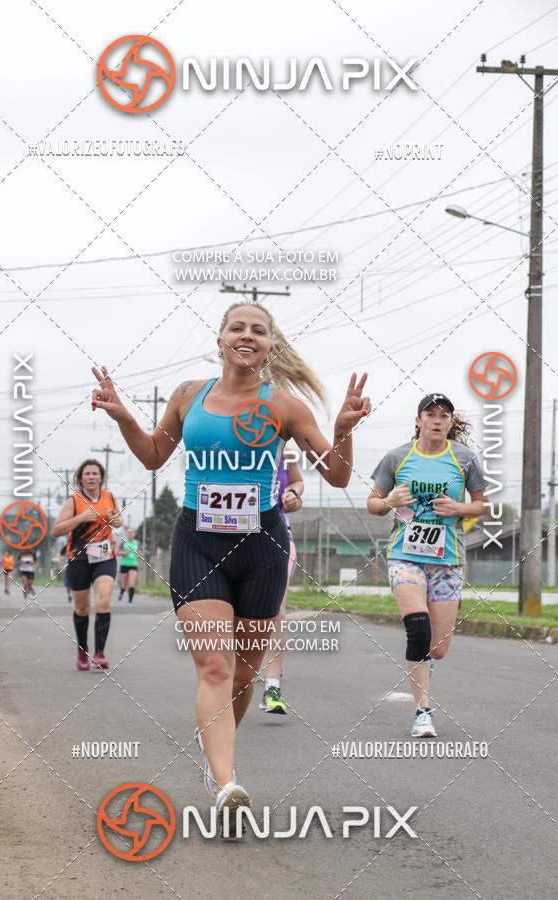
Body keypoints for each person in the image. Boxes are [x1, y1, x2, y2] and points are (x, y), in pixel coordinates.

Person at [91, 300, 370, 834]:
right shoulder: (188, 396)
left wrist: (343, 427)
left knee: (243, 674)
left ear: (271, 345)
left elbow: (335, 475)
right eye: (237, 327)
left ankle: (216, 752)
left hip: (263, 546)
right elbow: (153, 456)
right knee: (216, 669)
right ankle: (225, 784)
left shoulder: (285, 407)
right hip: (197, 541)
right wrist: (124, 414)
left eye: (259, 331)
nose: (248, 336)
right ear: (220, 339)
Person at [367, 393, 488, 739]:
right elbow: (373, 504)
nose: (437, 420)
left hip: (447, 560)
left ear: (450, 423)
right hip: (405, 555)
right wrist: (390, 501)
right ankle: (423, 710)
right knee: (417, 630)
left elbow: (482, 506)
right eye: (430, 414)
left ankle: (424, 662)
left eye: (444, 415)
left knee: (438, 648)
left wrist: (457, 508)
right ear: (418, 420)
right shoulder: (397, 457)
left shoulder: (464, 459)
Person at [52, 459, 123, 670]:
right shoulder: (74, 501)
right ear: (81, 478)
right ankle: (82, 650)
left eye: (95, 473)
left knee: (103, 603)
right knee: (82, 607)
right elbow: (57, 530)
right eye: (87, 474)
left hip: (104, 557)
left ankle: (99, 653)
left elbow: (117, 517)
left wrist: (118, 521)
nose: (91, 477)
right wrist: (80, 518)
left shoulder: (109, 497)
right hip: (79, 559)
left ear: (101, 477)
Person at [259, 448, 303, 715]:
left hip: (277, 537)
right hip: (233, 538)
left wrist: (294, 495)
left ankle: (272, 687)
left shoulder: (285, 452)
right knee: (238, 617)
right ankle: (246, 664)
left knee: (277, 612)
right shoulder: (227, 445)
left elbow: (297, 482)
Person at [117, 527, 139, 604]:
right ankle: (121, 592)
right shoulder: (123, 542)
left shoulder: (137, 543)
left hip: (133, 564)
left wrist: (140, 554)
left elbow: (140, 552)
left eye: (131, 532)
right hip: (124, 564)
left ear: (134, 534)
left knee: (132, 583)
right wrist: (123, 553)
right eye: (129, 533)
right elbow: (117, 552)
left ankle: (130, 601)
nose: (130, 534)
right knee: (124, 584)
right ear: (127, 534)